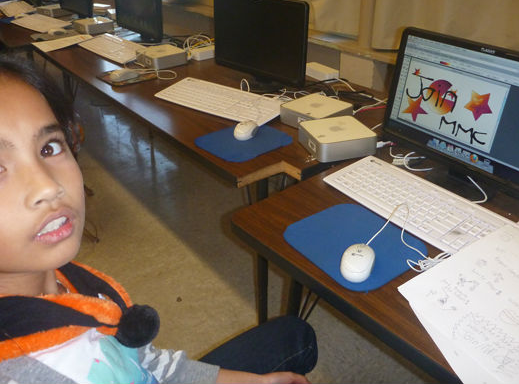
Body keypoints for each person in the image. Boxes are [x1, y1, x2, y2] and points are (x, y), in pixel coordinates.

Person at [0, 56, 317, 384]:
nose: (48, 186)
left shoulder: (72, 282)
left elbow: (145, 363)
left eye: (49, 148)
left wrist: (257, 382)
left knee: (295, 335)